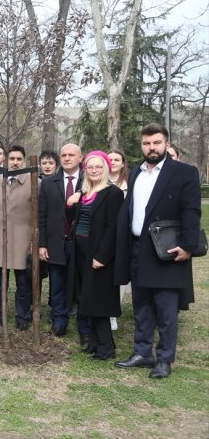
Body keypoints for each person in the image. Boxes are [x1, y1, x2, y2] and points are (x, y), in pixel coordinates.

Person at [115, 123, 201, 379]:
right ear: (141, 145)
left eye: (156, 143)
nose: (151, 148)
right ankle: (142, 353)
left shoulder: (184, 172)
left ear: (166, 144)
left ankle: (164, 359)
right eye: (146, 143)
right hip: (139, 247)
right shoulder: (136, 173)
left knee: (166, 309)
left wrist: (187, 245)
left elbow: (191, 211)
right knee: (142, 305)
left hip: (167, 249)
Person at [66, 151, 124, 360]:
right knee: (85, 299)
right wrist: (71, 205)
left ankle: (106, 348)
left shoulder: (112, 193)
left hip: (98, 255)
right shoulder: (85, 193)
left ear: (106, 168)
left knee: (99, 301)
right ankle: (93, 342)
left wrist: (102, 256)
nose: (94, 170)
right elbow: (75, 221)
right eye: (90, 167)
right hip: (81, 252)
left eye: (99, 167)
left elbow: (112, 228)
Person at [0, 145, 33, 331]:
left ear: (24, 161)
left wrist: (35, 241)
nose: (15, 162)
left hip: (23, 239)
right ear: (5, 160)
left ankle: (22, 316)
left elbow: (37, 214)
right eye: (11, 158)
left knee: (23, 282)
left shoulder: (33, 181)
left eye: (19, 159)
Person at [38, 143, 85, 338]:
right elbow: (42, 216)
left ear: (80, 158)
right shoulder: (49, 183)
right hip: (57, 243)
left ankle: (86, 328)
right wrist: (42, 244)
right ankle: (59, 324)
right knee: (57, 285)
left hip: (81, 244)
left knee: (81, 286)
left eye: (71, 155)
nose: (66, 158)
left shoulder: (89, 180)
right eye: (63, 155)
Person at [108, 148, 129, 331]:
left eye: (117, 159)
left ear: (123, 163)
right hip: (103, 233)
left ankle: (114, 312)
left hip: (122, 234)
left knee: (120, 274)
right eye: (110, 159)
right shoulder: (97, 179)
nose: (113, 162)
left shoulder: (130, 183)